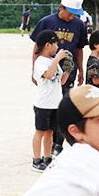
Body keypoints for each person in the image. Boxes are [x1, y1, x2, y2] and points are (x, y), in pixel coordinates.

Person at [29, 0, 88, 157]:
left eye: (76, 14)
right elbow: (37, 47)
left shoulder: (79, 25)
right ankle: (47, 148)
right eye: (70, 13)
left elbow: (79, 49)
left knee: (63, 110)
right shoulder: (47, 22)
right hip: (48, 72)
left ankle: (58, 144)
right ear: (61, 7)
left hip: (67, 72)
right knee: (49, 106)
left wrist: (80, 70)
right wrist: (34, 70)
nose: (72, 17)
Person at [30, 31, 69, 172]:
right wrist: (57, 59)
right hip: (43, 104)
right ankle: (36, 160)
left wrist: (68, 70)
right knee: (40, 132)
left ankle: (47, 158)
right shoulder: (40, 62)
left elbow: (61, 81)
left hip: (55, 103)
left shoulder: (53, 62)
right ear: (48, 45)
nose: (57, 47)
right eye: (55, 44)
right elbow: (48, 75)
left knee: (50, 133)